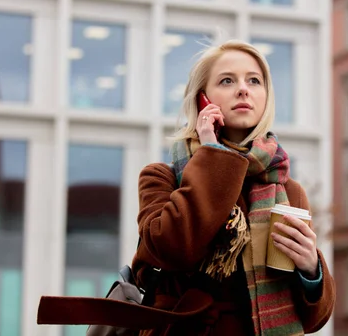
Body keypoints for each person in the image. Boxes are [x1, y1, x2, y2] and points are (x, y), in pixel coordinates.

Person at [131, 40, 335, 336]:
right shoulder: (159, 178)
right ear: (203, 100)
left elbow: (314, 319)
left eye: (254, 80)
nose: (243, 89)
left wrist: (311, 270)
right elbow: (174, 249)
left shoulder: (288, 190)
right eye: (227, 80)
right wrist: (212, 156)